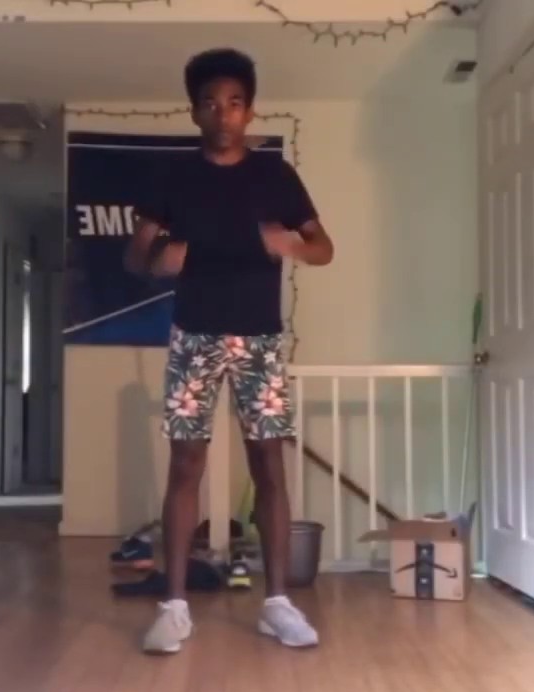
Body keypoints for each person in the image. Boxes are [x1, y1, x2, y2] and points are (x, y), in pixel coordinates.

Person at [124, 47, 335, 655]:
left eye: (235, 103)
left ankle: (277, 604)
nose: (223, 114)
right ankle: (174, 608)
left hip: (260, 338)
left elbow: (324, 248)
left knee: (268, 464)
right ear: (195, 112)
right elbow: (135, 257)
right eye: (211, 104)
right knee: (185, 466)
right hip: (194, 334)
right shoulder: (173, 177)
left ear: (250, 111)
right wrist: (159, 260)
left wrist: (291, 244)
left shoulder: (275, 176)